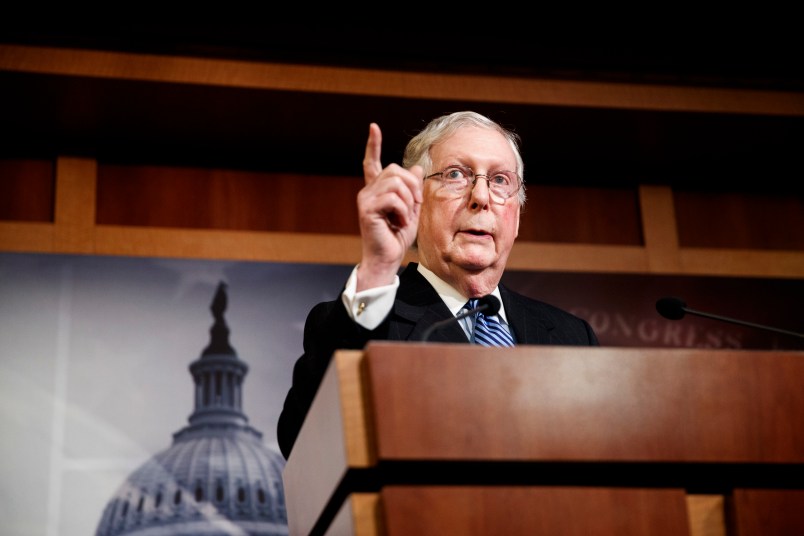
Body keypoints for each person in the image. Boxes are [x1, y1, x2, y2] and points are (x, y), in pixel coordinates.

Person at [277, 111, 599, 459]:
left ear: (517, 217)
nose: (481, 196)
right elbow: (304, 443)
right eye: (456, 175)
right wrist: (378, 269)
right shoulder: (366, 324)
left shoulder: (571, 336)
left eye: (500, 180)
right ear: (416, 203)